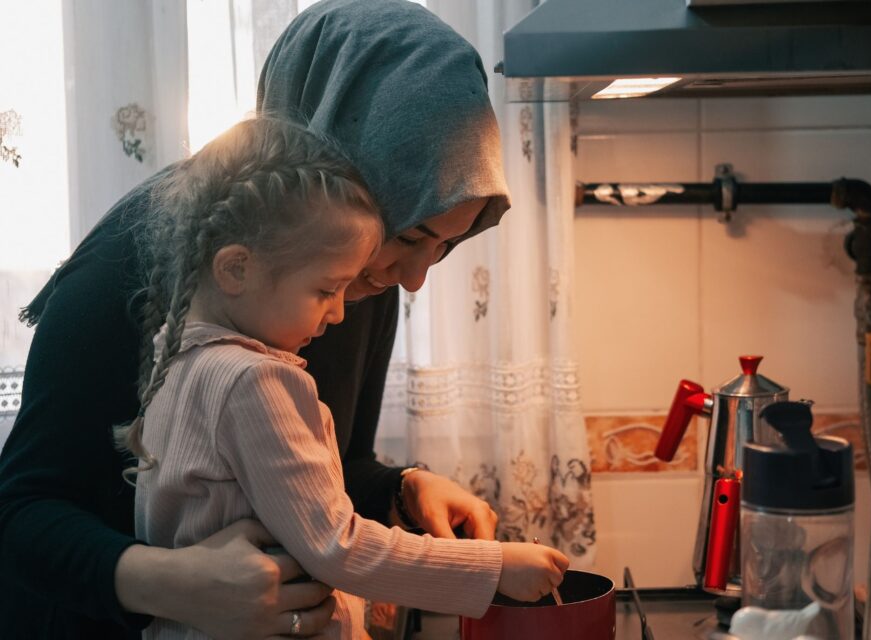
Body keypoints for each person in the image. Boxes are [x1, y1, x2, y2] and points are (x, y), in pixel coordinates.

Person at [0, 1, 528, 638]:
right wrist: (171, 583)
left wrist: (400, 488)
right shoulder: (130, 263)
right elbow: (23, 514)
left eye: (446, 244)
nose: (416, 277)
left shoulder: (355, 270)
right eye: (413, 234)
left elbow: (303, 467)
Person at [126, 117, 566, 639]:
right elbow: (337, 545)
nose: (338, 313)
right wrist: (492, 567)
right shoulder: (256, 382)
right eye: (325, 290)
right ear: (236, 269)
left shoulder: (175, 359)